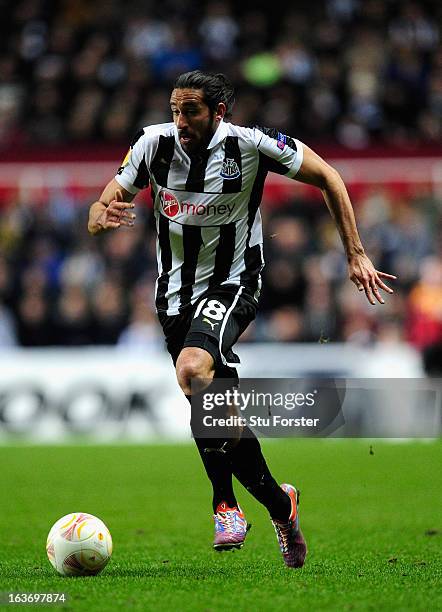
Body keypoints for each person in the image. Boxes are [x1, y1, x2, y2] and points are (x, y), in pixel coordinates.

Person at [88, 70, 396, 568]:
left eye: (190, 112)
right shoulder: (151, 145)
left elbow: (329, 178)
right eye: (175, 110)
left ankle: (224, 506)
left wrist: (355, 253)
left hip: (235, 283)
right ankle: (281, 506)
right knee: (220, 418)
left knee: (192, 369)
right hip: (172, 298)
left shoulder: (252, 146)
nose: (180, 121)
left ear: (218, 113)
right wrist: (101, 214)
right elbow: (104, 202)